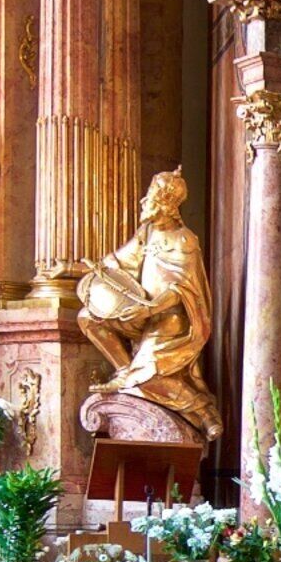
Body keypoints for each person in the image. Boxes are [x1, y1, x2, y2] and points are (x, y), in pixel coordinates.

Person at [76, 169, 220, 440]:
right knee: (88, 317)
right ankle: (123, 370)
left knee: (148, 378)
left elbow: (182, 288)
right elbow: (118, 262)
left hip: (171, 321)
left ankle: (203, 409)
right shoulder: (147, 232)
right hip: (142, 312)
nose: (144, 201)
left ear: (166, 204)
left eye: (151, 197)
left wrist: (151, 308)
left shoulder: (184, 240)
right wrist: (84, 270)